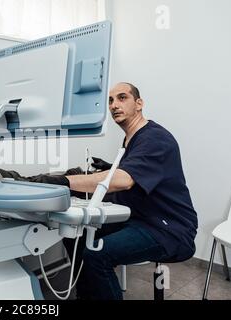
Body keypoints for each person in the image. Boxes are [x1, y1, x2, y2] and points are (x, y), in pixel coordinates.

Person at [61, 82, 198, 300]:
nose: (114, 105)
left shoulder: (155, 138)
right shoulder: (130, 139)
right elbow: (135, 177)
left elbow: (124, 181)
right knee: (76, 236)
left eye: (122, 98)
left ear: (139, 103)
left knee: (97, 253)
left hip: (168, 229)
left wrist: (62, 181)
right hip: (139, 219)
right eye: (110, 101)